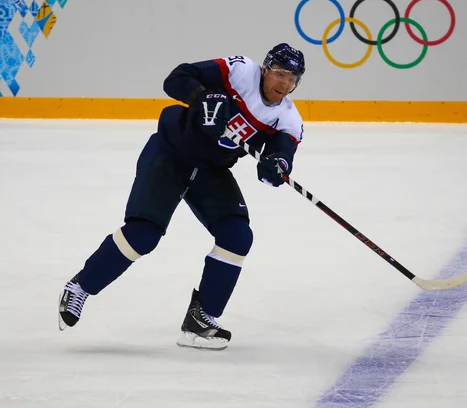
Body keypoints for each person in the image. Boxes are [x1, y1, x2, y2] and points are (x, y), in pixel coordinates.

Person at [58, 43, 306, 350]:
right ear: (265, 68)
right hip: (171, 153)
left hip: (210, 171)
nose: (284, 83)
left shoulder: (288, 119)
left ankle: (201, 319)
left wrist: (276, 166)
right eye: (279, 73)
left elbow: (279, 160)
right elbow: (176, 78)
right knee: (143, 235)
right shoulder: (240, 71)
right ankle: (80, 286)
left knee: (237, 236)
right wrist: (202, 97)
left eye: (292, 78)